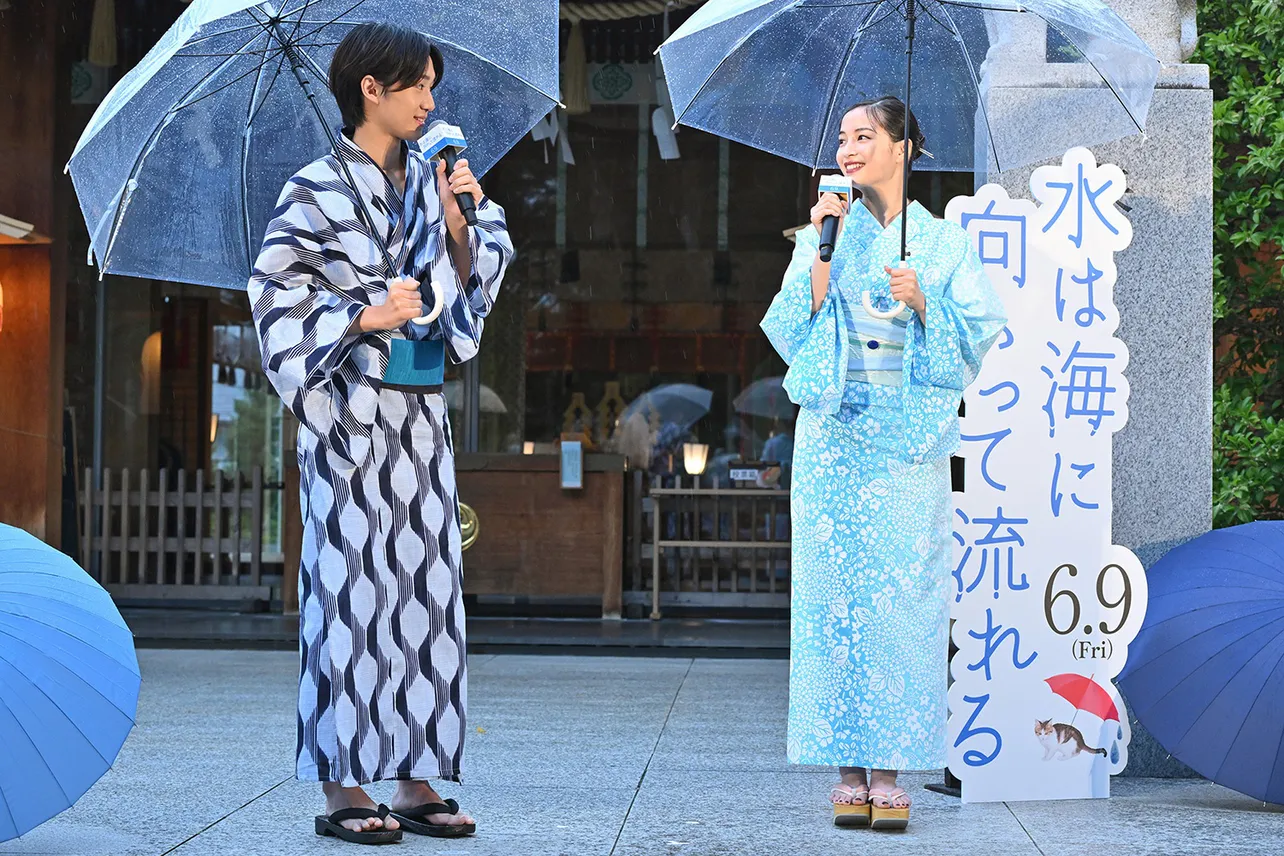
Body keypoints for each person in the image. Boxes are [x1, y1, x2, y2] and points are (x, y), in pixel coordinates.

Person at [248, 23, 512, 845]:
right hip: (348, 425)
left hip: (420, 420)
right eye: (418, 87)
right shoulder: (315, 187)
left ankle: (415, 775)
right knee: (352, 599)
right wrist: (364, 313)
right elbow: (272, 293)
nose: (431, 102)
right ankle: (342, 786)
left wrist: (460, 223)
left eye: (434, 87)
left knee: (428, 597)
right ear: (371, 87)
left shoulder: (437, 178)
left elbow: (485, 264)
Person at [761, 96, 1006, 830]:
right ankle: (845, 769)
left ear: (904, 147)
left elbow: (982, 332)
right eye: (842, 137)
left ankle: (891, 769)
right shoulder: (824, 231)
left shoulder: (941, 242)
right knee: (833, 600)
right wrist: (820, 253)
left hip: (907, 444)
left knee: (903, 602)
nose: (848, 148)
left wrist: (925, 298)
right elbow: (786, 323)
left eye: (864, 135)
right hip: (835, 440)